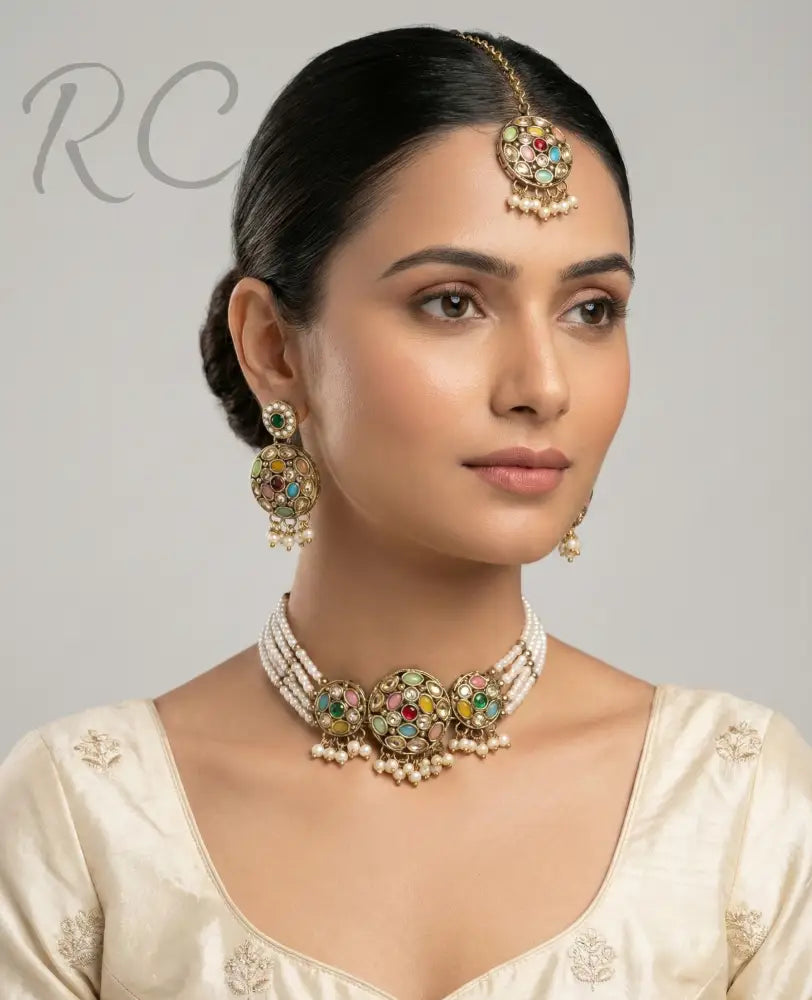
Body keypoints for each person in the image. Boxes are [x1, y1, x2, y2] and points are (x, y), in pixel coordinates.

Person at [0, 24, 809, 1000]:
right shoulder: (86, 821)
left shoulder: (733, 804)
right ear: (272, 348)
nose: (541, 386)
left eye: (589, 308)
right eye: (452, 302)